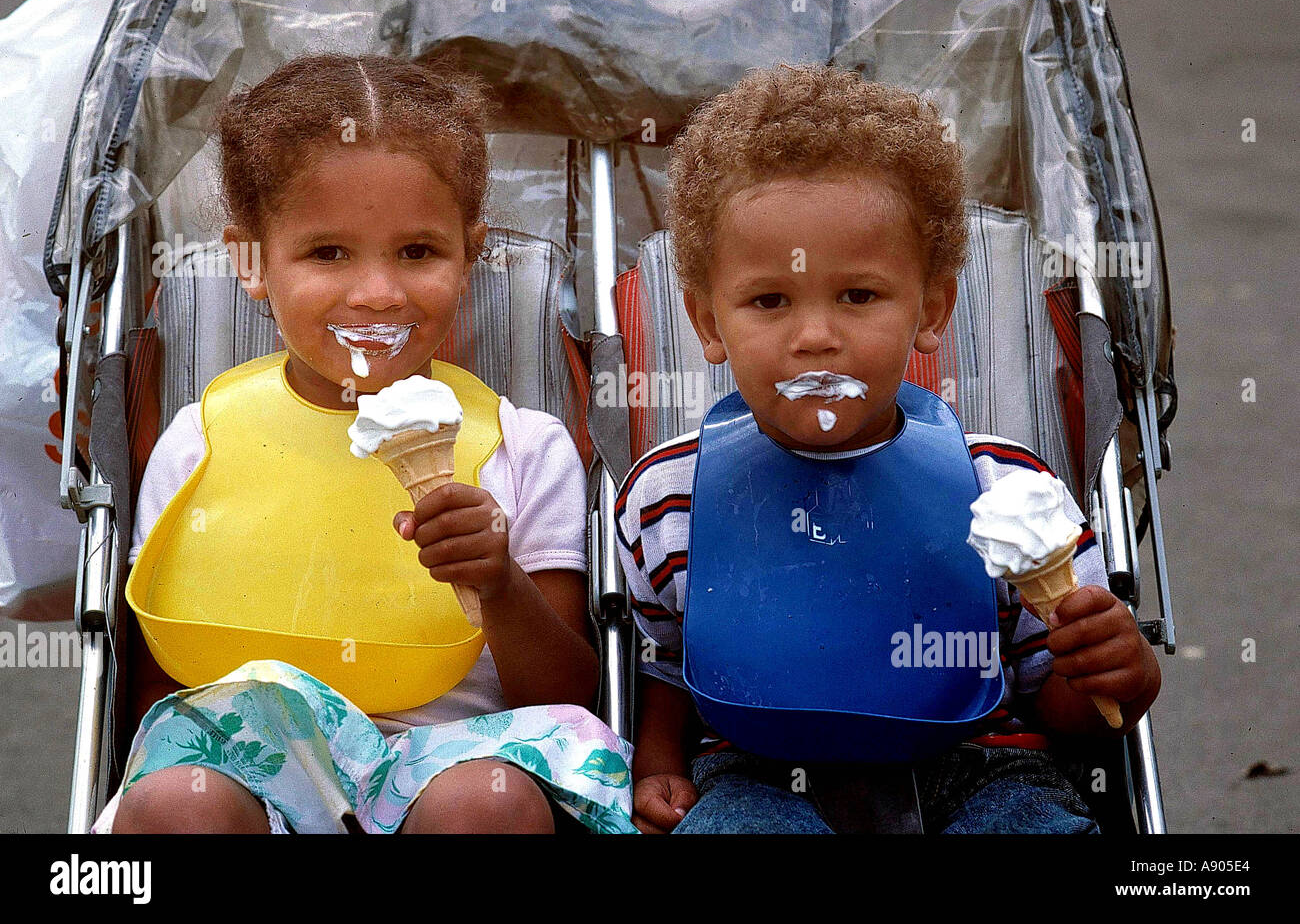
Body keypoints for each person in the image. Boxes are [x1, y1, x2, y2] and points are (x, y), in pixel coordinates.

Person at [97, 53, 635, 834]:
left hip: (450, 768)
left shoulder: (523, 447)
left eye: (417, 251)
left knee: (490, 806)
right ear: (250, 261)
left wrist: (499, 583)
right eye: (328, 252)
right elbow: (163, 688)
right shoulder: (200, 442)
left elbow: (567, 698)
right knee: (180, 801)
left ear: (469, 253)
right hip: (253, 780)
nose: (378, 292)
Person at [616, 64, 1161, 834]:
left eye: (859, 295)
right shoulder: (670, 496)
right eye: (769, 300)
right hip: (758, 771)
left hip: (979, 762)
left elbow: (1066, 708)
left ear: (930, 309)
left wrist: (1116, 671)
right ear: (708, 321)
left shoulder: (1005, 488)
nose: (815, 336)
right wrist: (659, 760)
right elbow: (669, 658)